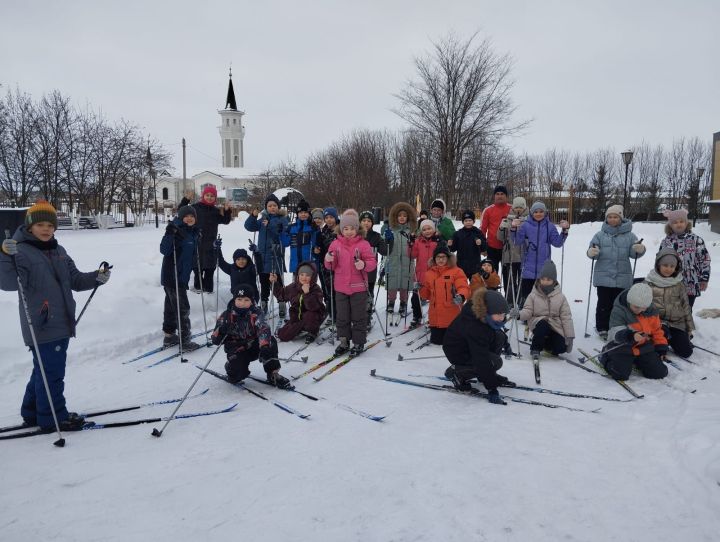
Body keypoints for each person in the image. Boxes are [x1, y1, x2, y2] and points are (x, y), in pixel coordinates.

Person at [0, 200, 111, 431]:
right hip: (41, 324)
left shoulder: (59, 251)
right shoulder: (19, 251)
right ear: (30, 226)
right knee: (52, 373)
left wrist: (97, 277)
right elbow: (8, 282)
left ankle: (32, 412)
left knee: (42, 369)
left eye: (50, 225)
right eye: (40, 224)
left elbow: (76, 280)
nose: (46, 229)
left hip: (62, 322)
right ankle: (53, 417)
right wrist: (4, 255)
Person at [442, 288, 516, 405]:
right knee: (495, 362)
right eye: (499, 315)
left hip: (471, 345)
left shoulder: (484, 316)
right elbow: (481, 358)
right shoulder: (474, 326)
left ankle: (486, 375)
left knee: (499, 337)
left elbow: (495, 332)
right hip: (458, 351)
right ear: (488, 311)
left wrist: (506, 344)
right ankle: (456, 373)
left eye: (503, 314)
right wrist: (492, 389)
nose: (502, 318)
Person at [211, 285, 291, 389]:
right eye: (239, 299)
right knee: (238, 375)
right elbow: (215, 338)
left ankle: (273, 373)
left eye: (246, 300)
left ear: (251, 300)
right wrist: (222, 330)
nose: (242, 303)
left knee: (270, 341)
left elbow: (264, 329)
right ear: (234, 299)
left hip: (254, 346)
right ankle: (231, 368)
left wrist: (264, 346)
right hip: (237, 349)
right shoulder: (226, 315)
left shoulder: (256, 313)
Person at [586, 204, 646, 340]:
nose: (613, 219)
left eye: (616, 217)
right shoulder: (599, 235)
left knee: (619, 305)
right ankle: (602, 327)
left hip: (622, 277)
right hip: (603, 277)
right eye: (610, 217)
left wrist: (639, 249)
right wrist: (592, 252)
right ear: (606, 219)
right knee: (603, 304)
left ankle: (616, 326)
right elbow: (592, 250)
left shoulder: (630, 236)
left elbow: (633, 254)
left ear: (621, 218)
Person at [324, 209, 377, 355]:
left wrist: (364, 265)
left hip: (358, 287)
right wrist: (328, 259)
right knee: (342, 316)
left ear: (357, 229)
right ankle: (344, 341)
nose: (348, 231)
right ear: (341, 229)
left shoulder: (363, 244)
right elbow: (329, 266)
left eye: (352, 228)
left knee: (358, 316)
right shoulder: (335, 244)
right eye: (345, 229)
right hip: (340, 287)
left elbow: (372, 262)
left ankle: (359, 342)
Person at [600, 282, 668, 381]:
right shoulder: (619, 310)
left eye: (643, 308)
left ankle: (637, 361)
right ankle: (605, 357)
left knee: (660, 373)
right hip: (621, 345)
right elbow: (615, 332)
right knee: (620, 374)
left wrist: (661, 347)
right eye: (636, 307)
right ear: (629, 300)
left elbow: (657, 330)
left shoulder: (651, 310)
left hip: (643, 346)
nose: (640, 310)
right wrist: (630, 336)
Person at [160, 205, 203, 351]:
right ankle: (185, 341)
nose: (190, 218)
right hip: (172, 276)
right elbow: (164, 250)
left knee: (171, 308)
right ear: (180, 217)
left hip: (182, 276)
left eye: (192, 216)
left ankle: (169, 336)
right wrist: (170, 234)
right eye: (186, 216)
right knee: (183, 308)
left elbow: (191, 255)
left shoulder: (194, 232)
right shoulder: (175, 230)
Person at [515, 260, 575, 361]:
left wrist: (569, 336)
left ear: (554, 281)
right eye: (543, 279)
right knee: (543, 325)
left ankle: (546, 343)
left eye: (548, 279)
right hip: (538, 322)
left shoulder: (560, 297)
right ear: (539, 279)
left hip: (555, 325)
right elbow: (528, 310)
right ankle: (535, 348)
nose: (545, 282)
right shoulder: (533, 295)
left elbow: (566, 317)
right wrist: (519, 314)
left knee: (560, 348)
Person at [511, 201, 569, 303]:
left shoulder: (550, 226)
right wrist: (514, 228)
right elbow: (517, 241)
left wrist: (564, 231)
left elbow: (557, 243)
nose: (538, 214)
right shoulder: (525, 225)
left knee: (542, 296)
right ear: (531, 213)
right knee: (527, 295)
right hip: (528, 265)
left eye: (541, 211)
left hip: (543, 267)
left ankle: (540, 314)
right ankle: (527, 314)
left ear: (545, 212)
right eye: (536, 211)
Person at [644, 249, 695, 358]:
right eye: (665, 265)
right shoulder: (649, 283)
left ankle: (671, 339)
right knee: (658, 347)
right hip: (657, 324)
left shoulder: (679, 284)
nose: (668, 269)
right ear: (658, 265)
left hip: (676, 324)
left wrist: (689, 328)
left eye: (672, 266)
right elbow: (642, 306)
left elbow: (686, 306)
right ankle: (661, 340)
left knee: (686, 352)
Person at [244, 194, 289, 315]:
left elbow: (280, 232)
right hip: (262, 257)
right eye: (270, 205)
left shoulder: (282, 219)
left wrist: (269, 225)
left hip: (275, 256)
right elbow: (249, 226)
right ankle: (263, 303)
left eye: (275, 205)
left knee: (276, 282)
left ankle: (281, 302)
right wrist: (253, 216)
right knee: (264, 282)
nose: (272, 207)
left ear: (278, 207)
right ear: (266, 207)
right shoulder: (262, 220)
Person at [659, 208, 711, 308]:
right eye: (675, 222)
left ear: (686, 223)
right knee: (673, 310)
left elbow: (705, 260)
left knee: (687, 310)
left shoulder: (696, 240)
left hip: (691, 282)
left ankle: (687, 323)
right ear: (670, 225)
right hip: (672, 282)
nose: (679, 224)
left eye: (681, 221)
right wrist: (660, 278)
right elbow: (659, 262)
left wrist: (704, 278)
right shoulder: (666, 242)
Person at [420, 245, 470, 345]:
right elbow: (426, 295)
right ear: (434, 259)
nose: (441, 259)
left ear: (448, 258)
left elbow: (463, 287)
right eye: (438, 257)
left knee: (451, 344)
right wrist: (420, 287)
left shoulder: (457, 271)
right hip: (435, 317)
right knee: (437, 342)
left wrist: (461, 296)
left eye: (443, 257)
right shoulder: (428, 274)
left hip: (451, 315)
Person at [270, 261, 325, 344]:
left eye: (307, 275)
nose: (304, 277)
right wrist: (274, 283)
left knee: (309, 316)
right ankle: (299, 327)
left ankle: (313, 331)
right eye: (301, 274)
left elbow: (313, 307)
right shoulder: (293, 287)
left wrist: (307, 294)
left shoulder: (316, 289)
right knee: (283, 336)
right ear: (298, 275)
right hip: (296, 318)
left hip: (313, 318)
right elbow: (281, 295)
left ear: (312, 277)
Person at [191, 185, 232, 293]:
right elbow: (183, 213)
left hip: (211, 244)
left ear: (215, 198)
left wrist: (227, 211)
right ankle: (198, 290)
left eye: (212, 196)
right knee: (197, 268)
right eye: (207, 195)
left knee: (210, 268)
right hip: (197, 243)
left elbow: (225, 221)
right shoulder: (195, 208)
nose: (209, 197)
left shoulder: (215, 211)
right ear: (203, 196)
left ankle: (209, 292)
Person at [381, 202, 417, 318]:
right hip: (393, 261)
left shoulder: (410, 231)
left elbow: (416, 247)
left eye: (404, 215)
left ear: (408, 217)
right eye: (399, 215)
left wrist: (413, 241)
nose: (402, 217)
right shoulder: (391, 230)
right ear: (395, 217)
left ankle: (403, 302)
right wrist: (386, 239)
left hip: (407, 262)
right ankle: (391, 302)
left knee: (404, 282)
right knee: (392, 281)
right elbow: (383, 246)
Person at [359, 210, 388, 328]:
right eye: (364, 221)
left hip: (370, 272)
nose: (366, 223)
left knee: (368, 295)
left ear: (372, 223)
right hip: (356, 272)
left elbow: (384, 251)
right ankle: (357, 316)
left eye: (369, 221)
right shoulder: (355, 235)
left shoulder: (376, 236)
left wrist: (387, 241)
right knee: (357, 296)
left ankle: (367, 317)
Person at [409, 219, 440, 327]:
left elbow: (444, 255)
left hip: (435, 275)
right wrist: (410, 244)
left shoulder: (437, 241)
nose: (427, 231)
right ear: (421, 231)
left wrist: (441, 243)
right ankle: (417, 316)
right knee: (415, 298)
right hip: (420, 275)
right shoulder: (418, 241)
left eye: (429, 228)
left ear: (434, 229)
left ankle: (434, 317)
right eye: (424, 229)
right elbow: (412, 255)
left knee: (434, 298)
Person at [497, 196, 528, 304]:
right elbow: (500, 237)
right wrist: (501, 228)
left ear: (524, 208)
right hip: (509, 255)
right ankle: (510, 301)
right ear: (513, 208)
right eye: (516, 207)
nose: (518, 209)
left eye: (521, 207)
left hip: (523, 255)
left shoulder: (528, 221)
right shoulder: (507, 219)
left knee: (522, 280)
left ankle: (521, 301)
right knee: (510, 280)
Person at [314, 207, 339, 322]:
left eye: (331, 217)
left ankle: (340, 313)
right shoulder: (322, 232)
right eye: (327, 218)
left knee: (338, 291)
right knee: (328, 291)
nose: (329, 220)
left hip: (339, 267)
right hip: (326, 267)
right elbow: (318, 250)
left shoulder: (341, 231)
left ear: (336, 217)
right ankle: (331, 312)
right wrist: (316, 251)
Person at [480, 185, 512, 272]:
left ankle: (507, 286)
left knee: (508, 275)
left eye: (502, 194)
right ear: (494, 196)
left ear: (506, 196)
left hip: (508, 248)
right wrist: (483, 247)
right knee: (492, 275)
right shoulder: (488, 210)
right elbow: (482, 230)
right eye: (497, 194)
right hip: (492, 247)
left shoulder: (512, 209)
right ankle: (492, 286)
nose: (500, 196)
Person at [448, 209, 487, 282]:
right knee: (461, 285)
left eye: (470, 220)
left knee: (475, 287)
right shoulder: (458, 234)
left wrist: (481, 243)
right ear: (463, 222)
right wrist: (450, 245)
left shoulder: (478, 233)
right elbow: (453, 249)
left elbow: (484, 248)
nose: (468, 222)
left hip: (475, 265)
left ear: (473, 221)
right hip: (461, 265)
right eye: (466, 221)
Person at [281, 199, 317, 274]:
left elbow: (316, 244)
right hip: (295, 265)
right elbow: (285, 243)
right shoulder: (291, 227)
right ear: (297, 214)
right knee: (296, 285)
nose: (303, 214)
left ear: (309, 213)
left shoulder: (312, 227)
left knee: (309, 285)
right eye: (301, 212)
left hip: (309, 265)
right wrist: (281, 232)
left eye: (305, 212)